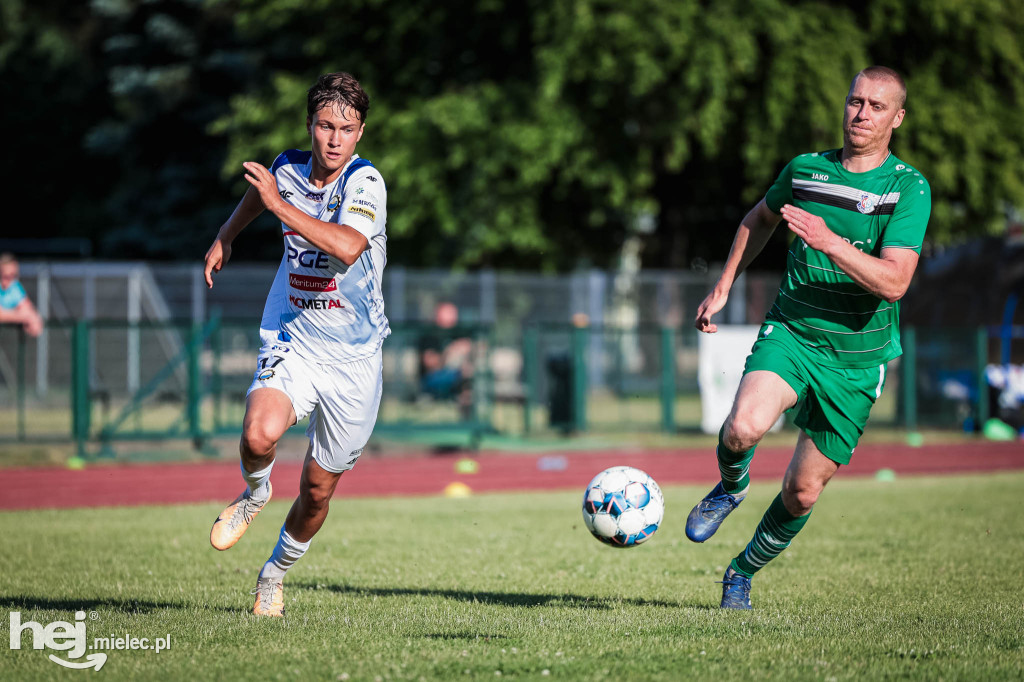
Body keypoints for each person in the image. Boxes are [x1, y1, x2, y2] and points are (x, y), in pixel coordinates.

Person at [687, 66, 931, 609]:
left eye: (876, 106)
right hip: (793, 331)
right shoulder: (805, 170)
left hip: (857, 359)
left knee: (801, 492)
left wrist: (828, 241)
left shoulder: (907, 188)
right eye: (855, 101)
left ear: (898, 118)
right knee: (742, 429)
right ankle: (731, 486)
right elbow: (759, 219)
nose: (862, 114)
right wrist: (725, 285)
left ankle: (741, 571)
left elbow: (894, 283)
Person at [202, 72, 389, 617]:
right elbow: (260, 197)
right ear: (310, 125)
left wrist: (279, 206)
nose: (334, 139)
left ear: (360, 134)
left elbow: (349, 247)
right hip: (294, 336)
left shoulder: (365, 183)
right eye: (326, 126)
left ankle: (273, 574)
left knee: (315, 491)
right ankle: (256, 492)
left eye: (346, 129)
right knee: (259, 435)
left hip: (355, 358)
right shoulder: (287, 168)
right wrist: (226, 235)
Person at [0, 253, 44, 337]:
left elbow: (29, 312)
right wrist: (22, 316)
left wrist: (32, 319)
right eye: (6, 276)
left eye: (13, 275)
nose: (10, 280)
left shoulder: (15, 287)